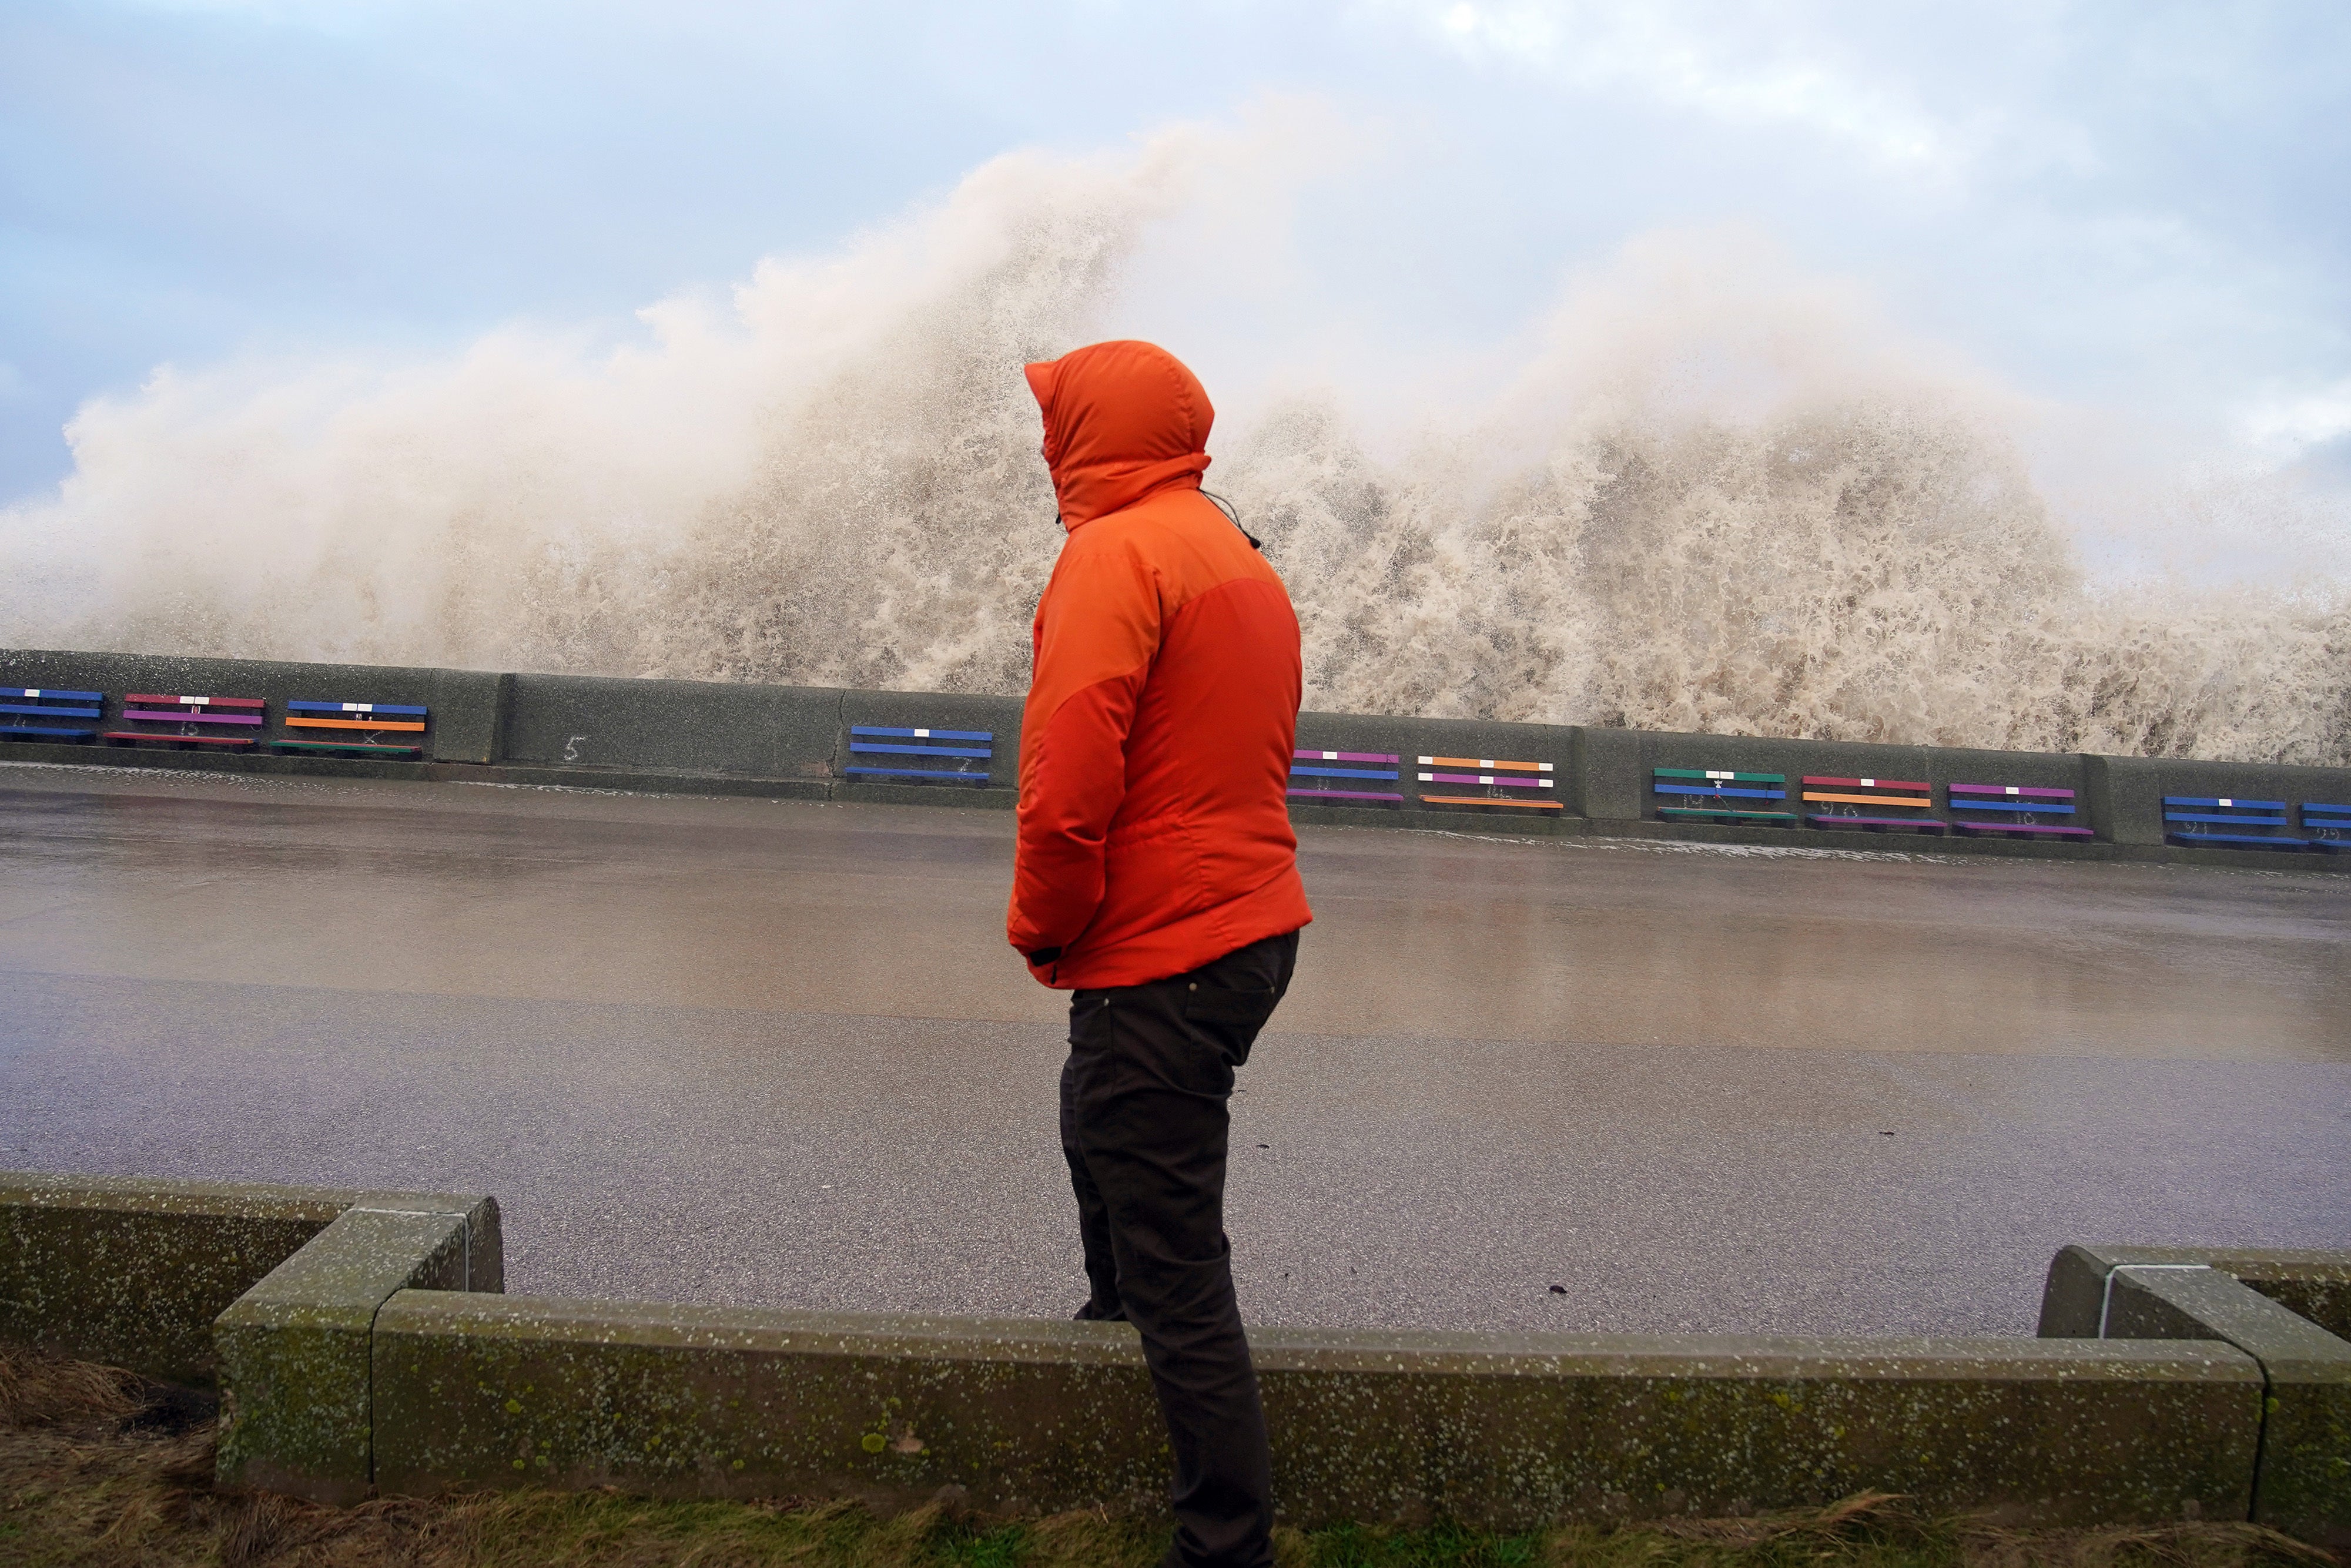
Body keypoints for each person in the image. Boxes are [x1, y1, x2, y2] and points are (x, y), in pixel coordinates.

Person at [1007, 340, 1312, 1568]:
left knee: (1176, 1253)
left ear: (1090, 430)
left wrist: (1043, 921)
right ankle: (1106, 1323)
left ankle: (1222, 1542)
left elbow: (1067, 776)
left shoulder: (1112, 553)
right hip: (1245, 923)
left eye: (1054, 420)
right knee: (1098, 1124)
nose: (1041, 442)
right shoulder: (1229, 551)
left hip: (1165, 945)